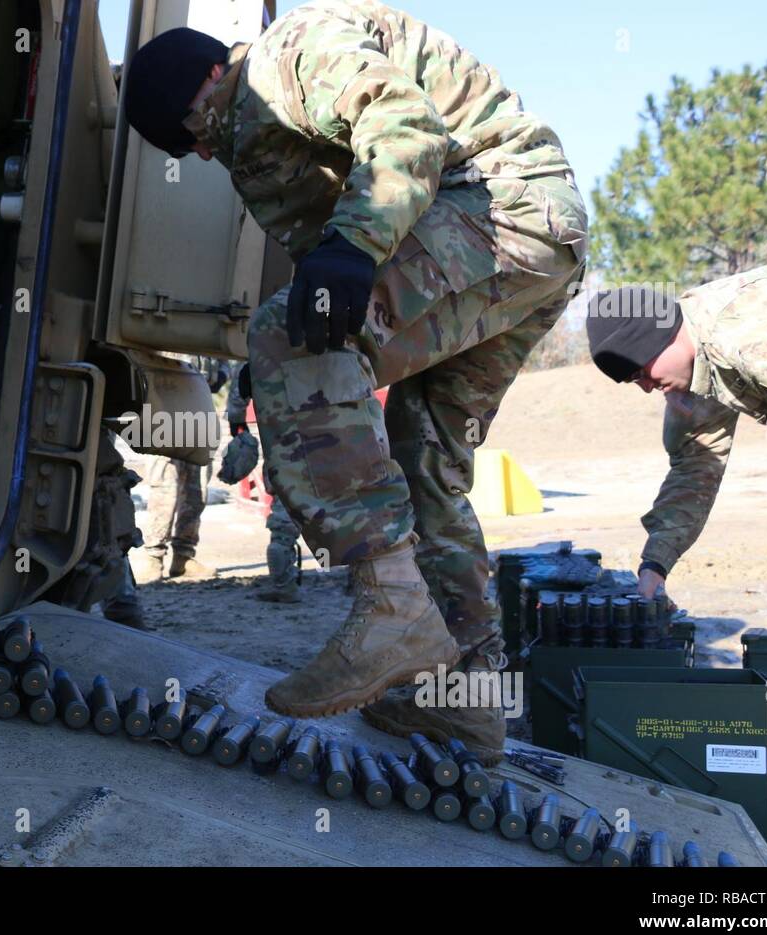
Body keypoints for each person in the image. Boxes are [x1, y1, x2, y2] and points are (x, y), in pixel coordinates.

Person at [123, 1, 587, 760]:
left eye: (198, 127)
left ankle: (392, 602)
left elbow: (404, 124)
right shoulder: (252, 136)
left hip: (500, 207)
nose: (202, 152)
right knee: (424, 457)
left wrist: (353, 248)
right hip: (535, 239)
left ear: (215, 72)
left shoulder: (288, 53)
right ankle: (467, 703)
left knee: (286, 333)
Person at [585, 264, 767, 625]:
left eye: (640, 373)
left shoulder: (744, 332)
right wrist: (655, 565)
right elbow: (696, 469)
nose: (647, 387)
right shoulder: (693, 371)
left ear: (659, 338)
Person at [134, 355, 227, 583]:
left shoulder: (211, 323)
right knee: (164, 489)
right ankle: (153, 557)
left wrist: (220, 375)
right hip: (164, 408)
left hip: (200, 408)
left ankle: (183, 558)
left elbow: (223, 359)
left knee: (197, 491)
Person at [220, 360, 303, 603]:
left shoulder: (257, 360)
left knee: (282, 526)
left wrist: (239, 428)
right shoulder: (326, 352)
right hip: (332, 446)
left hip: (285, 451)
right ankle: (360, 582)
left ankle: (284, 585)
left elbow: (236, 409)